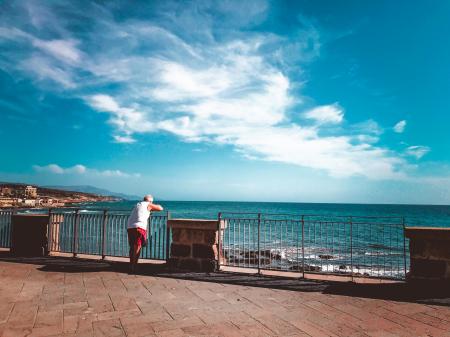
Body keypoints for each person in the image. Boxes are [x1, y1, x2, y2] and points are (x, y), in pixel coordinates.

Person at [127, 195, 163, 273]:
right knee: (138, 246)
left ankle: (131, 264)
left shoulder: (137, 204)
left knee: (132, 246)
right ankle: (134, 266)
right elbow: (160, 208)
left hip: (130, 226)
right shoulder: (148, 204)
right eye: (152, 202)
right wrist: (153, 205)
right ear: (150, 201)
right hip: (139, 227)